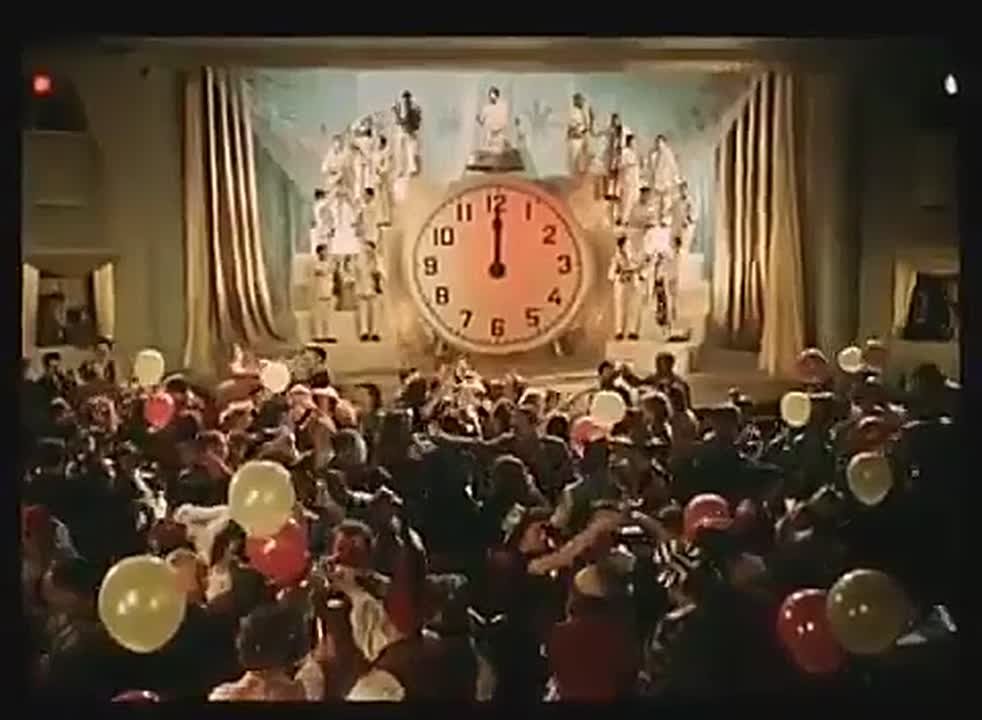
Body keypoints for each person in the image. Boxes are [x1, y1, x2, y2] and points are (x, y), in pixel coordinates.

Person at [608, 235, 644, 341]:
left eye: (629, 245)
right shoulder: (616, 257)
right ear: (621, 246)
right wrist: (619, 273)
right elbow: (611, 275)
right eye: (626, 245)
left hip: (633, 281)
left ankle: (633, 331)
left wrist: (637, 271)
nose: (628, 247)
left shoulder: (634, 256)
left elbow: (639, 267)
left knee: (634, 306)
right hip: (621, 283)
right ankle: (619, 330)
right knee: (620, 307)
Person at [354, 240, 385, 343]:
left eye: (370, 249)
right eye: (366, 249)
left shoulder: (378, 260)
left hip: (375, 289)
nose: (368, 251)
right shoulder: (360, 260)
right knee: (363, 311)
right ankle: (364, 331)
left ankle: (375, 332)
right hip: (362, 289)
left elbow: (382, 273)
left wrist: (376, 267)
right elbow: (357, 273)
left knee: (375, 311)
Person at [310, 243, 338, 344]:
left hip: (328, 291)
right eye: (324, 251)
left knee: (328, 315)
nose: (326, 253)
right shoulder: (315, 263)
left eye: (327, 251)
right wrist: (330, 265)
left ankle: (328, 334)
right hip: (318, 292)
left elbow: (333, 273)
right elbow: (321, 271)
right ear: (319, 252)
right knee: (318, 314)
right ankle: (318, 335)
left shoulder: (329, 263)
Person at [393, 90, 422, 178]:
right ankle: (404, 170)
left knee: (411, 153)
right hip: (406, 134)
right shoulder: (410, 109)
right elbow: (400, 121)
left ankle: (411, 170)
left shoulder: (411, 110)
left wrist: (395, 111)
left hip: (410, 134)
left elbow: (402, 121)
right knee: (404, 153)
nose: (406, 102)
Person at [476, 86, 510, 155]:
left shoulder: (501, 106)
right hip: (492, 136)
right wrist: (478, 119)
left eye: (492, 95)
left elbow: (504, 122)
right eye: (490, 95)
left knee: (496, 152)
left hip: (497, 135)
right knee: (490, 152)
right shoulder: (487, 108)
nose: (490, 97)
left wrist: (478, 119)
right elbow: (482, 123)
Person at [567, 92, 594, 176]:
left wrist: (591, 120)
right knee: (574, 165)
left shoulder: (580, 112)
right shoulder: (574, 112)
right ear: (576, 101)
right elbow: (574, 128)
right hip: (575, 140)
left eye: (583, 100)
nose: (583, 102)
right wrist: (585, 130)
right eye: (581, 100)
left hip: (581, 140)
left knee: (582, 163)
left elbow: (586, 128)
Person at [617, 134, 641, 226]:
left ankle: (626, 218)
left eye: (635, 142)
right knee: (626, 199)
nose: (634, 144)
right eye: (633, 142)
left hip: (633, 179)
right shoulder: (625, 152)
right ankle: (623, 219)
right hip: (627, 179)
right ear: (629, 142)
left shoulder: (634, 153)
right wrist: (630, 164)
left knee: (632, 199)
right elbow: (621, 164)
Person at [372, 135, 393, 226]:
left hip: (384, 178)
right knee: (378, 199)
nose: (377, 144)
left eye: (379, 142)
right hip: (376, 179)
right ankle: (379, 219)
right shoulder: (375, 154)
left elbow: (387, 166)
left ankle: (387, 218)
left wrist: (381, 170)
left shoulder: (386, 154)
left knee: (385, 198)